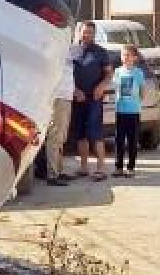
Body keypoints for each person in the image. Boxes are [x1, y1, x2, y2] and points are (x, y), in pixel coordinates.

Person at [70, 21, 113, 181]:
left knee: (96, 133)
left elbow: (109, 73)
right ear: (79, 32)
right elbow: (66, 72)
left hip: (95, 98)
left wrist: (101, 86)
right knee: (80, 134)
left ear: (94, 34)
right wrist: (74, 90)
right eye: (84, 32)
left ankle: (101, 168)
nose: (87, 34)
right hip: (77, 98)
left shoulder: (101, 52)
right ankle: (83, 167)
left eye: (90, 32)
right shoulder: (72, 51)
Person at [44, 31, 79, 187]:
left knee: (62, 136)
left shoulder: (68, 50)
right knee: (55, 135)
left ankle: (59, 169)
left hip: (67, 97)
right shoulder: (52, 49)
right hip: (57, 96)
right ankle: (52, 174)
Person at [113, 44, 148, 178]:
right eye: (123, 55)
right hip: (120, 110)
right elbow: (116, 88)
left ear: (135, 57)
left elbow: (142, 90)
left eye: (128, 55)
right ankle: (118, 167)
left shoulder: (138, 72)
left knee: (132, 140)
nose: (125, 57)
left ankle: (131, 167)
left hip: (133, 111)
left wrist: (138, 102)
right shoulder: (118, 71)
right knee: (119, 140)